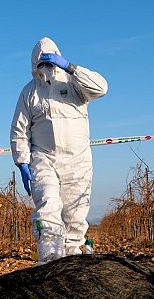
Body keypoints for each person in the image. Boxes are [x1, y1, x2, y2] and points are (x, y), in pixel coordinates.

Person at [10, 37, 108, 264]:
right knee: (48, 208)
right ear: (34, 64)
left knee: (75, 217)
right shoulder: (30, 92)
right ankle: (49, 264)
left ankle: (70, 267)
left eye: (50, 61)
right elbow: (19, 129)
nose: (47, 67)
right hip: (44, 159)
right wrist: (22, 162)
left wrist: (70, 67)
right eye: (42, 63)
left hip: (78, 162)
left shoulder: (75, 84)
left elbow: (102, 88)